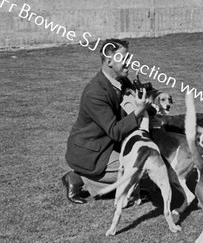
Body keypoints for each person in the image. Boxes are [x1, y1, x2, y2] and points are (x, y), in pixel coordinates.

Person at [62, 39, 149, 204]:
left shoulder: (122, 81)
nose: (129, 62)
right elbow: (115, 131)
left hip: (108, 144)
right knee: (142, 167)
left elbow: (129, 105)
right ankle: (79, 177)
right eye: (125, 58)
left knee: (146, 158)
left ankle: (112, 184)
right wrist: (139, 110)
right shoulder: (95, 93)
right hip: (90, 152)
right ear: (110, 61)